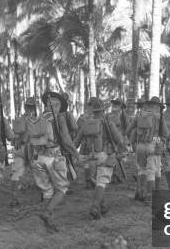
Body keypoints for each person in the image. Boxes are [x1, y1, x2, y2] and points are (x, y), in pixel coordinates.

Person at [29, 91, 75, 232]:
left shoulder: (38, 118)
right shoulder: (59, 118)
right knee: (62, 189)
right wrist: (75, 153)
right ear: (58, 106)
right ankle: (47, 212)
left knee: (48, 191)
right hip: (54, 157)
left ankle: (48, 225)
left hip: (37, 158)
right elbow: (66, 139)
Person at [75, 97, 126, 219]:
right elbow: (119, 139)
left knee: (98, 181)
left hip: (89, 156)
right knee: (102, 182)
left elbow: (76, 141)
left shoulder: (86, 122)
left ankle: (103, 206)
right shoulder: (108, 122)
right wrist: (123, 151)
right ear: (103, 109)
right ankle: (95, 206)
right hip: (104, 155)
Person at [127, 96, 169, 200]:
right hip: (152, 146)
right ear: (158, 106)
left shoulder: (139, 115)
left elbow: (128, 130)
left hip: (139, 146)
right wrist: (158, 140)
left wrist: (134, 142)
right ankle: (150, 195)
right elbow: (166, 133)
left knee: (141, 170)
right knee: (152, 171)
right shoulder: (159, 117)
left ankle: (141, 192)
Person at [10, 96, 39, 205]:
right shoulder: (35, 120)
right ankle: (41, 197)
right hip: (31, 149)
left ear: (25, 107)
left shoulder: (19, 119)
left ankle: (14, 198)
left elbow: (14, 135)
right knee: (38, 172)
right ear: (34, 108)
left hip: (18, 148)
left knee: (16, 174)